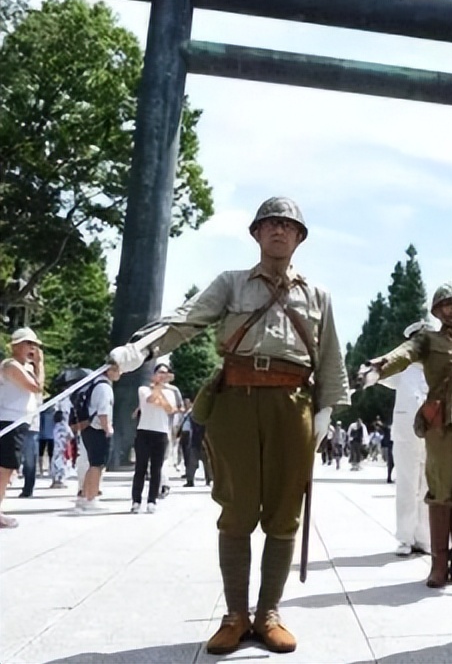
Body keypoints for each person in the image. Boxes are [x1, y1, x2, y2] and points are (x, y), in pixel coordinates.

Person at [108, 196, 349, 655]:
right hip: (236, 399)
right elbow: (187, 320)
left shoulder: (318, 296)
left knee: (284, 512)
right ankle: (236, 615)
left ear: (299, 238)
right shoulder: (231, 283)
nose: (278, 231)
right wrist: (140, 349)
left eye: (288, 225)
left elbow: (332, 356)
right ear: (256, 234)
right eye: (270, 224)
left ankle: (269, 613)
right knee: (237, 509)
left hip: (292, 402)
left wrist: (327, 410)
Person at [361, 284, 452, 589]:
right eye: (448, 304)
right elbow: (405, 353)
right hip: (440, 425)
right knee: (441, 493)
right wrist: (379, 366)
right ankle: (439, 564)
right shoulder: (428, 340)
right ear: (437, 311)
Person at [376, 329, 430, 556]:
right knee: (407, 485)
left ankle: (424, 537)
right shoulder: (403, 369)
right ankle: (405, 537)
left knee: (429, 487)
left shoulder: (438, 366)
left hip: (433, 433)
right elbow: (380, 371)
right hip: (406, 434)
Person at [0, 328, 44, 528]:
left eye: (33, 345)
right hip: (9, 420)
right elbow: (36, 387)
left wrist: (35, 366)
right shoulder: (11, 366)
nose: (31, 348)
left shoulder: (24, 367)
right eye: (28, 344)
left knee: (7, 469)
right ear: (16, 346)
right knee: (5, 469)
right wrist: (39, 365)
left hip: (18, 421)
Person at [130, 363, 178, 514]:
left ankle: (152, 500)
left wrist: (161, 395)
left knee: (156, 469)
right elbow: (150, 400)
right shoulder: (143, 389)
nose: (162, 375)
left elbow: (170, 409)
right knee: (140, 468)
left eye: (165, 373)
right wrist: (157, 389)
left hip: (161, 432)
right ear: (153, 374)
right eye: (160, 372)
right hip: (144, 431)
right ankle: (136, 501)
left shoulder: (170, 392)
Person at [77, 362, 121, 512]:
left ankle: (84, 496)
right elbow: (103, 410)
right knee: (98, 465)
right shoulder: (104, 387)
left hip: (88, 427)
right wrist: (107, 429)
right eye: (117, 370)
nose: (119, 373)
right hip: (97, 428)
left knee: (92, 464)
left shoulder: (94, 384)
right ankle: (91, 498)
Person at [50, 409, 71, 488]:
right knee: (62, 464)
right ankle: (61, 481)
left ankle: (54, 480)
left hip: (56, 448)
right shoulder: (65, 426)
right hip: (63, 448)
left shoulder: (55, 427)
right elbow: (70, 435)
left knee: (55, 464)